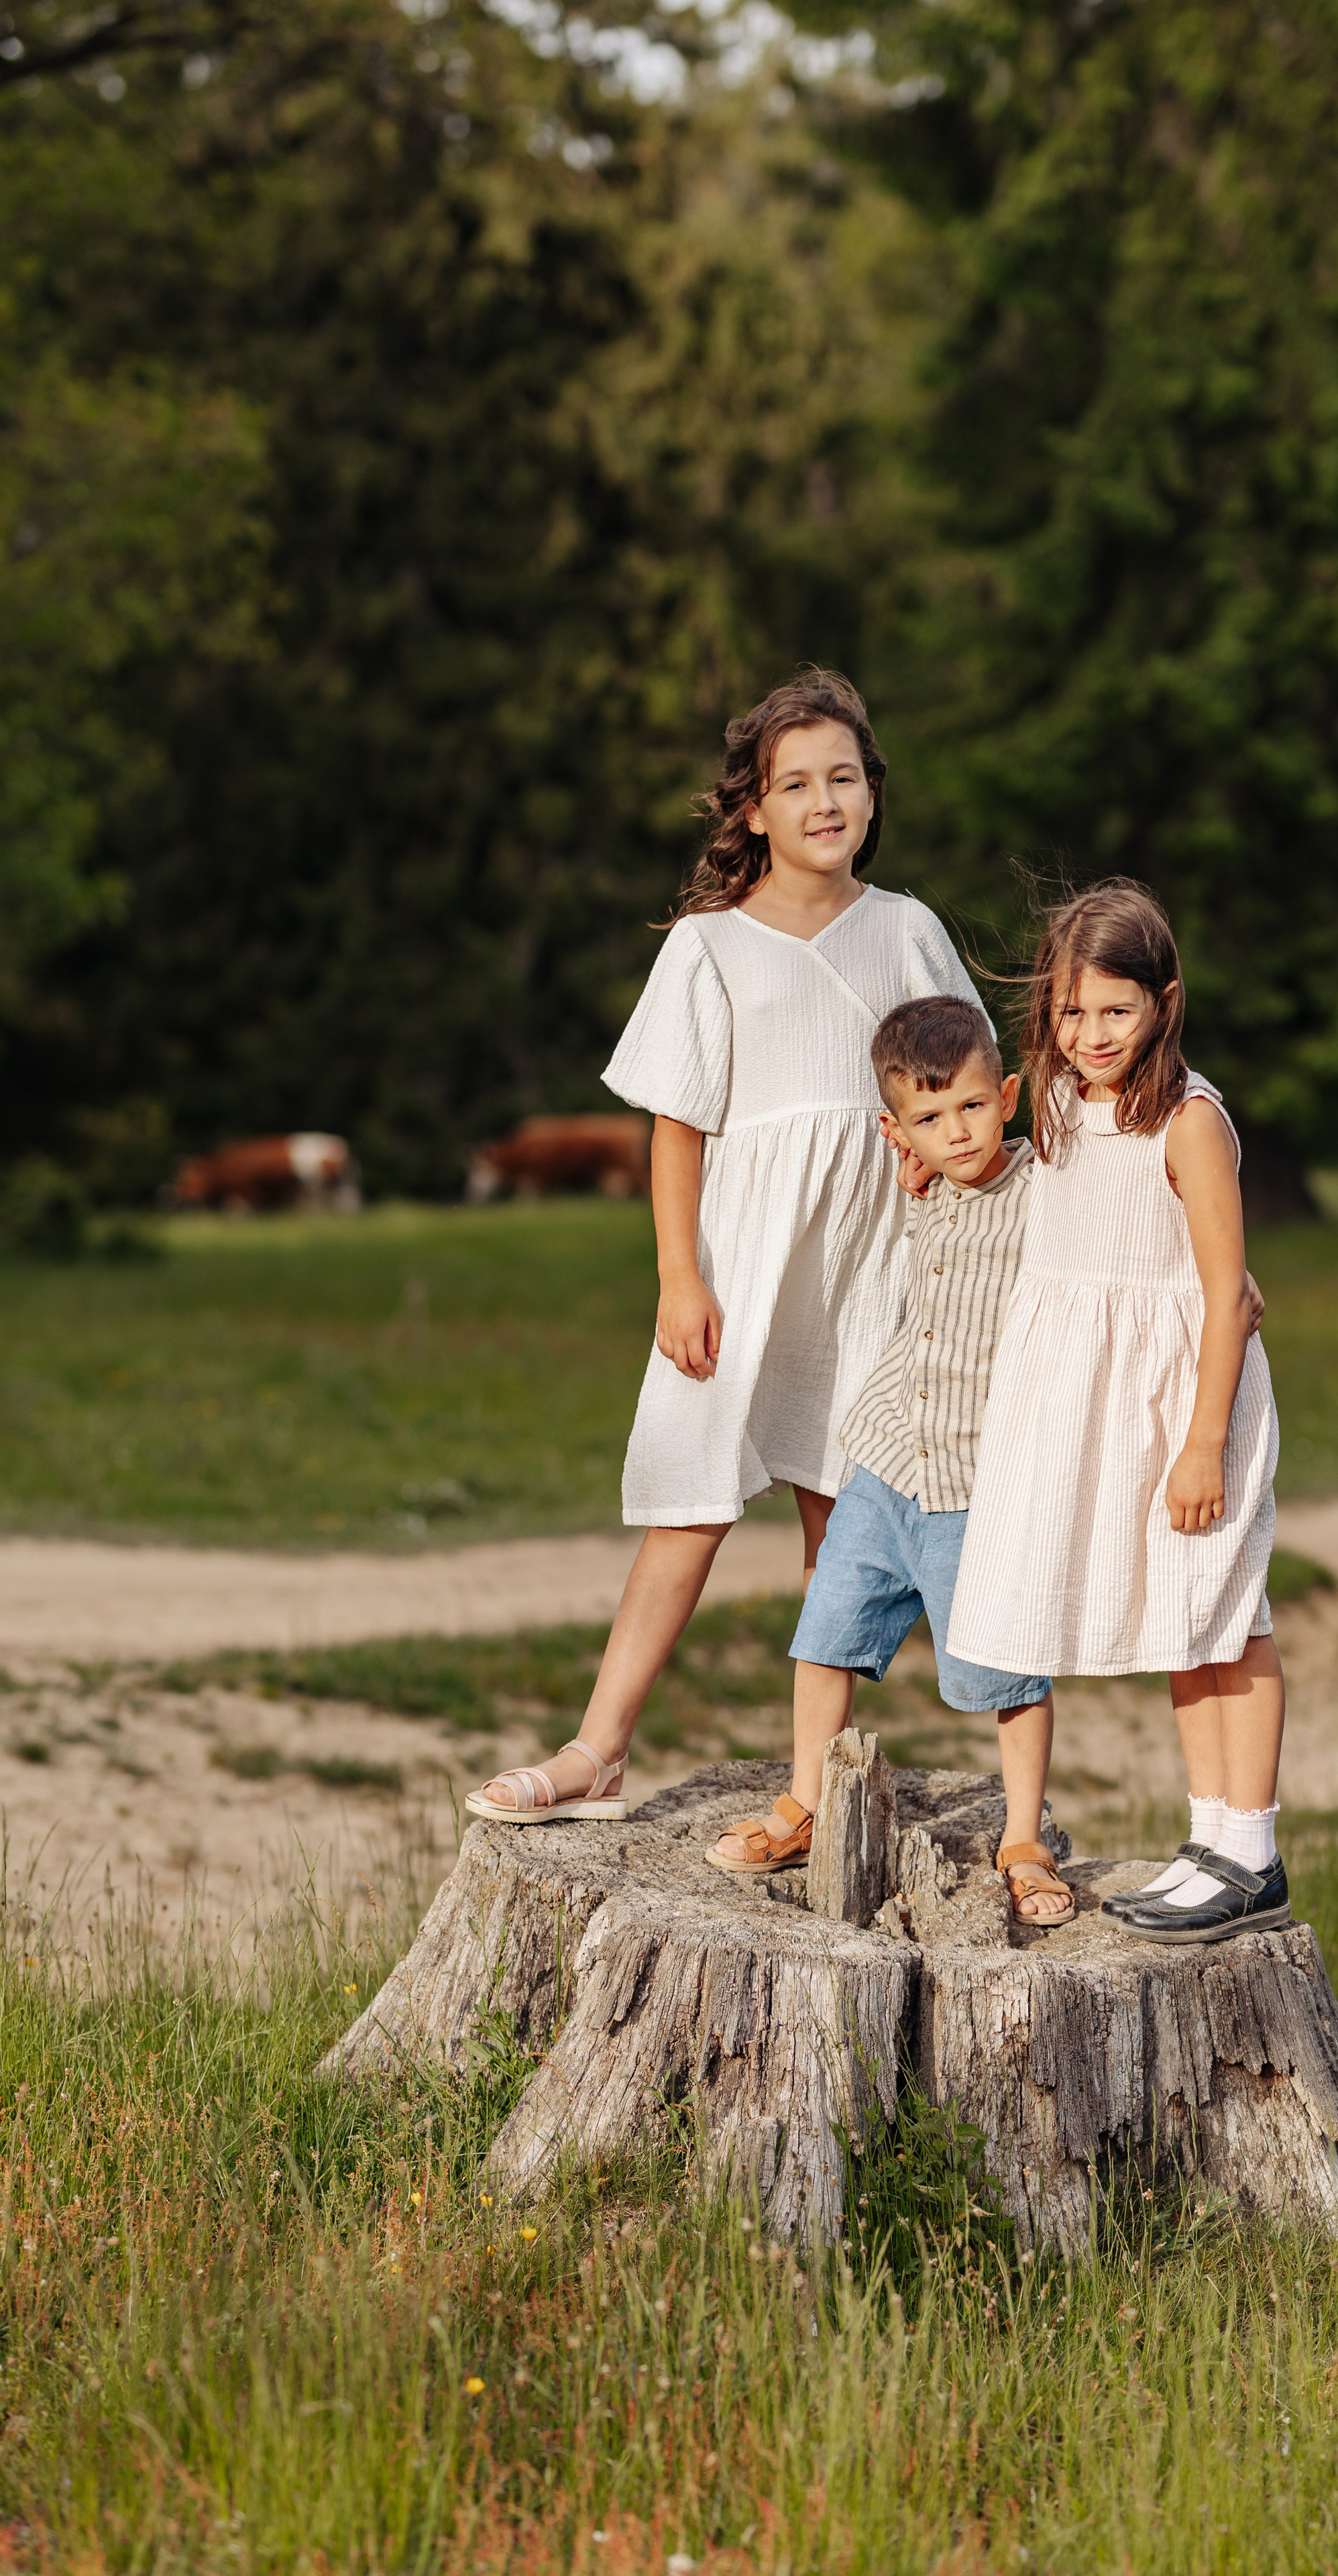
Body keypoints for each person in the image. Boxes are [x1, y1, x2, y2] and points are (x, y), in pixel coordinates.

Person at [465, 671, 984, 1825]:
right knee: (690, 1500)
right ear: (753, 809)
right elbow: (678, 1122)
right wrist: (680, 1276)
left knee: (841, 1513)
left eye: (843, 778)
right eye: (795, 784)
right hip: (743, 1264)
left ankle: (817, 1782)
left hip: (873, 1267)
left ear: (872, 793)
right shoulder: (708, 948)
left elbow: (968, 1086)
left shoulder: (908, 930)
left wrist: (928, 1150)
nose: (823, 801)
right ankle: (600, 1748)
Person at [944, 879, 1288, 1945]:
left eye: (1116, 1012)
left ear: (1165, 1004)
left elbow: (1228, 1291)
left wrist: (1202, 1445)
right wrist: (935, 1161)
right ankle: (1211, 1835)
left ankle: (1256, 1850)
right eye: (1071, 1011)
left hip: (1190, 1403)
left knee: (1231, 1616)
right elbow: (1037, 1188)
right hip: (1107, 1403)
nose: (1090, 1035)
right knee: (1185, 1623)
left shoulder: (1188, 1124)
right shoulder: (1053, 1101)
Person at [707, 994, 1075, 1922]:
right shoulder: (925, 1189)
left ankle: (1024, 1843)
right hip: (880, 1464)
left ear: (1010, 1097)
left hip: (973, 1485)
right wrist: (917, 1179)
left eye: (972, 1107)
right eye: (928, 1117)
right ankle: (805, 1804)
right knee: (824, 1636)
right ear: (895, 1129)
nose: (956, 1132)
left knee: (1006, 1671)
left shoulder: (1048, 1192)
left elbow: (1130, 1237)